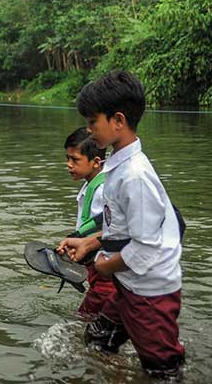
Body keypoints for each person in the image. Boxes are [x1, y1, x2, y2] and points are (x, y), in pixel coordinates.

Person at [57, 71, 185, 379]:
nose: (89, 130)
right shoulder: (119, 167)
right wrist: (90, 243)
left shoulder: (135, 177)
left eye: (92, 122)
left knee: (163, 370)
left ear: (118, 120)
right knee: (98, 340)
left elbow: (145, 249)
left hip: (149, 292)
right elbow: (124, 229)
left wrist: (104, 267)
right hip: (128, 285)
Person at [63, 126, 116, 318]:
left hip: (105, 269)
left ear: (95, 162)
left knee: (83, 321)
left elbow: (112, 227)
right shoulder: (93, 183)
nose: (69, 164)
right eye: (67, 159)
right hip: (97, 267)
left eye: (75, 160)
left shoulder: (103, 189)